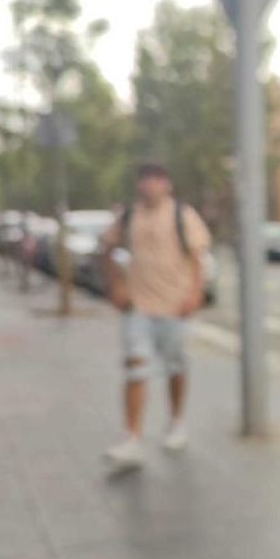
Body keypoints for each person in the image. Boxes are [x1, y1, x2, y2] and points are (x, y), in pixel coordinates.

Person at [100, 164, 211, 471]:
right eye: (144, 180)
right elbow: (105, 247)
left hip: (174, 306)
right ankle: (131, 437)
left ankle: (176, 421)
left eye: (155, 180)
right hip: (138, 307)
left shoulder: (182, 215)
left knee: (175, 365)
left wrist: (194, 294)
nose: (149, 186)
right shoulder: (128, 216)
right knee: (135, 365)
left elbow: (198, 257)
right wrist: (116, 286)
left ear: (167, 184)